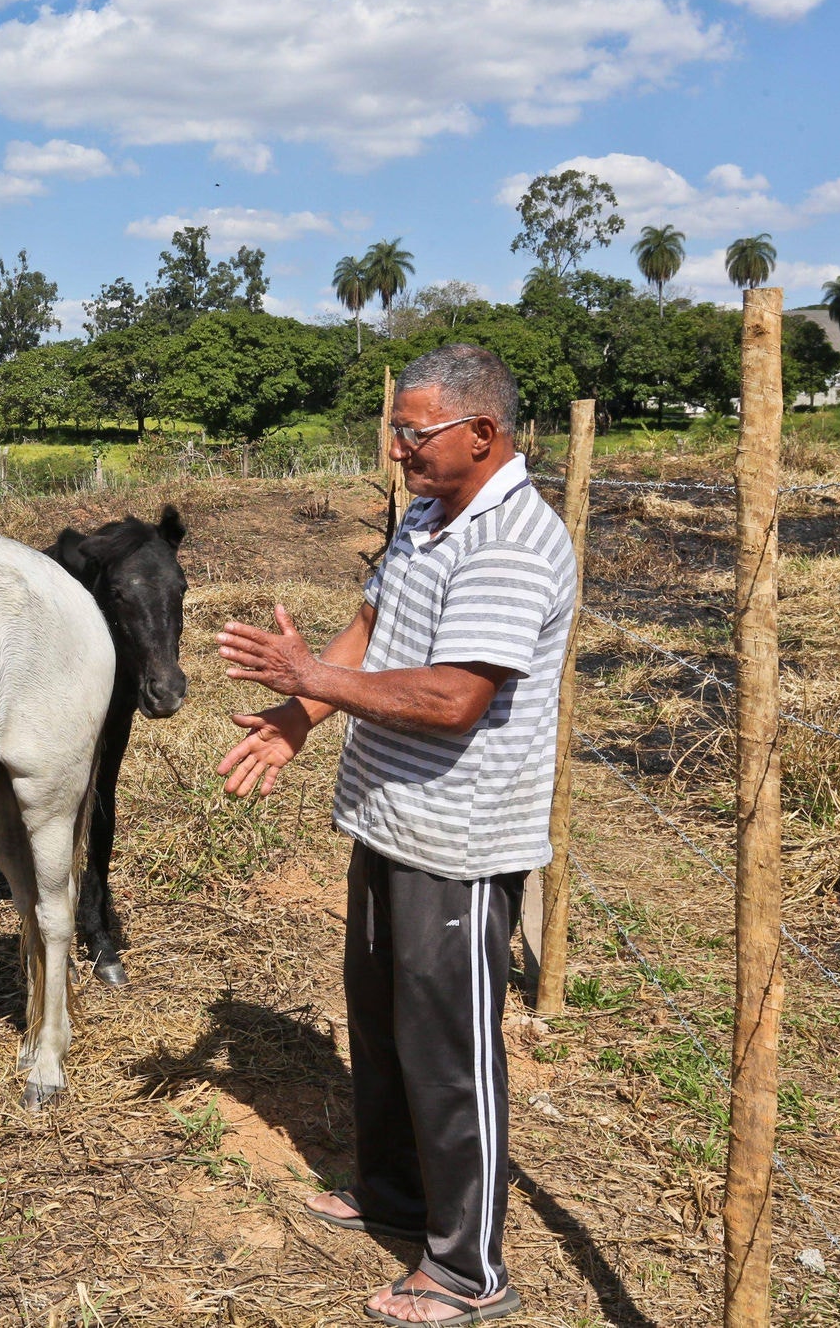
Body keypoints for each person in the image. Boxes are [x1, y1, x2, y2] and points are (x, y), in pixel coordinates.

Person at [214, 344, 575, 1325]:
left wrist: (309, 683)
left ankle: (467, 1270)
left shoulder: (513, 541)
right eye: (395, 429)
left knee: (449, 1049)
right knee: (378, 1024)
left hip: (457, 839)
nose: (396, 448)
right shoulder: (426, 514)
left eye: (413, 433)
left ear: (481, 435)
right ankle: (393, 1194)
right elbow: (371, 628)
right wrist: (297, 720)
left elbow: (454, 697)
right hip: (387, 814)